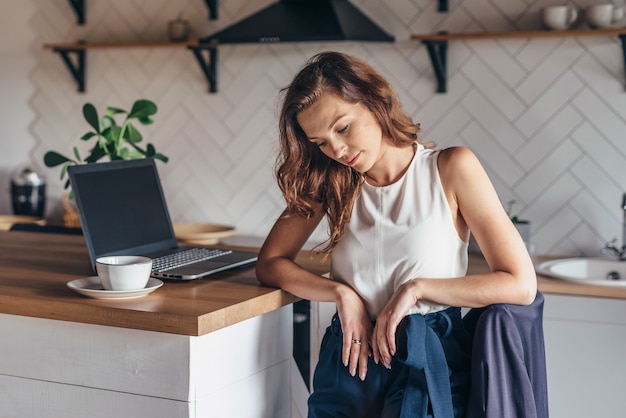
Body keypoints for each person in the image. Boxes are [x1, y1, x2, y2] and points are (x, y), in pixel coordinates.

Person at [256, 51, 537, 418]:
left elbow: (519, 283)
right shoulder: (328, 182)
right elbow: (270, 263)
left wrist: (416, 288)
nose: (337, 150)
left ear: (375, 102)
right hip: (349, 354)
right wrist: (341, 294)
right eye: (320, 142)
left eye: (342, 128)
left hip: (428, 353)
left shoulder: (451, 168)